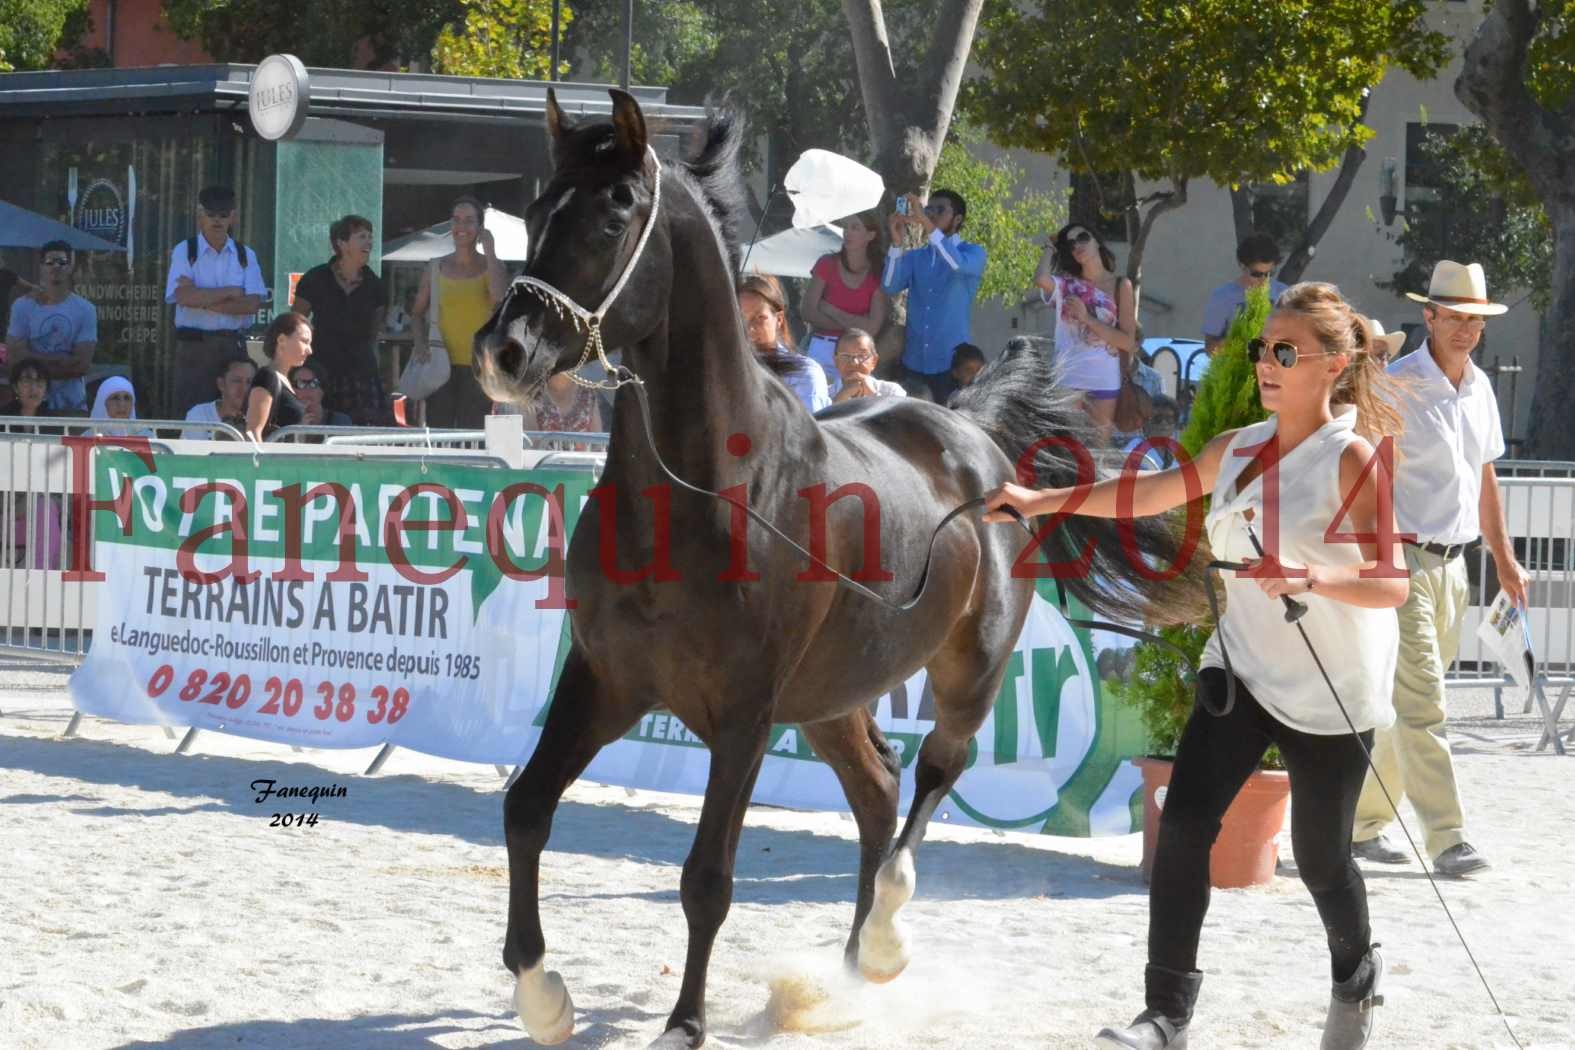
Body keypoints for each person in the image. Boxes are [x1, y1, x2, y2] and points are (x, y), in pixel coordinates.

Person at [984, 282, 1409, 1050]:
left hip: (1332, 692)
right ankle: (1165, 1016)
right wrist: (1040, 499)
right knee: (1181, 826)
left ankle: (1355, 971)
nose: (1265, 364)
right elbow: (1142, 494)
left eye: (1285, 351)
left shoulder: (1351, 461)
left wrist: (1312, 578)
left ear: (1335, 365)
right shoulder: (1234, 448)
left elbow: (1392, 586)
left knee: (1320, 863)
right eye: (1260, 350)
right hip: (1241, 669)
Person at [1350, 260, 1530, 879]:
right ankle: (1448, 837)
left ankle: (1360, 825)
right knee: (1426, 703)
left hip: (1457, 568)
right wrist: (1380, 558)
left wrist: (1505, 561)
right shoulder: (1397, 383)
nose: (1465, 329)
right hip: (1404, 559)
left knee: (1412, 705)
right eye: (1454, 316)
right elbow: (1371, 478)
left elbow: (1485, 478)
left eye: (1474, 319)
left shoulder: (1480, 387)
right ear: (1428, 316)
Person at [165, 185, 268, 416]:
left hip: (233, 346)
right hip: (194, 348)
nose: (217, 221)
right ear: (200, 214)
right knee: (191, 414)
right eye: (211, 215)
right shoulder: (186, 250)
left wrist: (202, 298)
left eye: (223, 215)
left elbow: (251, 305)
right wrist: (231, 291)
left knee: (237, 413)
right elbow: (182, 297)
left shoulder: (245, 255)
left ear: (233, 216)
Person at [410, 195, 507, 428]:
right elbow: (416, 313)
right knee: (439, 431)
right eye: (456, 220)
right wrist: (420, 343)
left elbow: (498, 297)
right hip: (440, 364)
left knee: (473, 434)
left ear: (480, 227)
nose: (461, 227)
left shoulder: (494, 265)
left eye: (469, 221)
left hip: (480, 366)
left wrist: (491, 249)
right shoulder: (435, 266)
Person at [1034, 223, 1137, 442]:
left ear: (1097, 240)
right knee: (1065, 448)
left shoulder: (1121, 285)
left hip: (1104, 379)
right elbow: (1041, 279)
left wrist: (1087, 318)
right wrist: (1049, 247)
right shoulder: (1066, 284)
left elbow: (1128, 341)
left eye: (1083, 237)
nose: (1077, 245)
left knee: (1097, 451)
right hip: (1067, 377)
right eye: (1071, 244)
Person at [882, 190, 986, 404]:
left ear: (958, 219)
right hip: (914, 361)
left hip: (953, 365)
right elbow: (889, 285)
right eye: (930, 208)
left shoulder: (973, 252)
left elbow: (955, 264)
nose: (931, 214)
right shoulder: (916, 256)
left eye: (940, 209)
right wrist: (896, 243)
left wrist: (927, 225)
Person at [291, 214, 390, 426]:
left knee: (360, 431)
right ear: (342, 243)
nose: (369, 242)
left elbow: (374, 333)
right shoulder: (315, 279)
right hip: (321, 368)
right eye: (361, 236)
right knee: (318, 426)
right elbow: (296, 324)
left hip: (361, 374)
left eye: (370, 237)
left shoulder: (376, 286)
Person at [802, 211, 889, 396]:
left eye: (855, 227)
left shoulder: (878, 274)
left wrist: (830, 310)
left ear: (871, 235)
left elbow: (872, 328)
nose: (847, 233)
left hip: (858, 355)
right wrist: (855, 325)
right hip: (821, 346)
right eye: (846, 227)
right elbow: (808, 312)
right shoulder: (826, 263)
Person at [5, 241, 97, 414]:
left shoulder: (86, 310)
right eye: (50, 262)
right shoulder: (22, 306)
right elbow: (15, 359)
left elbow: (81, 365)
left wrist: (32, 366)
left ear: (70, 267)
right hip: (29, 408)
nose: (56, 266)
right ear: (41, 266)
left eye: (62, 262)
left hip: (72, 406)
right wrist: (61, 360)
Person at [2, 360, 67, 567]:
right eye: (27, 381)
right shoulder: (3, 421)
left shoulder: (54, 425)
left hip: (37, 508)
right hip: (5, 508)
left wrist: (31, 499)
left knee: (46, 508)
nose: (34, 388)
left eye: (40, 383)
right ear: (15, 387)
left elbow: (58, 478)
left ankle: (36, 584)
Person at [738, 274, 830, 414]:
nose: (750, 328)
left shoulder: (803, 372)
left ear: (779, 319)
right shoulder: (718, 369)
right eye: (740, 319)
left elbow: (808, 432)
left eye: (760, 318)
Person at [1201, 234, 1288, 354]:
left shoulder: (1285, 294)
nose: (1264, 280)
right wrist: (1244, 342)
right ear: (1242, 266)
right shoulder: (1222, 297)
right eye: (1257, 274)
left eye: (1269, 273)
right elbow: (1210, 348)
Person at [246, 312, 312, 441]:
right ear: (281, 340)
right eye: (304, 341)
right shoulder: (267, 377)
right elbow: (253, 432)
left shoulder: (285, 380)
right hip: (269, 460)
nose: (309, 350)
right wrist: (263, 461)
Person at [184, 355, 254, 439]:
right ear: (221, 384)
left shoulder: (260, 419)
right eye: (237, 381)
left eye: (249, 382)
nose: (244, 388)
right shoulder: (199, 415)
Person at [830, 328, 906, 404]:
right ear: (836, 361)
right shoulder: (825, 393)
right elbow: (821, 415)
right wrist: (842, 396)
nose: (854, 362)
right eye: (846, 356)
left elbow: (896, 415)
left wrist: (872, 394)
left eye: (861, 356)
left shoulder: (892, 391)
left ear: (874, 361)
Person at [289, 361, 352, 430]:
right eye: (300, 384)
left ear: (322, 390)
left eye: (313, 383)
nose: (307, 390)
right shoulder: (284, 422)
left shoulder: (340, 422)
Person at [89, 376, 155, 439]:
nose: (122, 404)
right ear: (103, 403)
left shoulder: (147, 437)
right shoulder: (87, 438)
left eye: (127, 398)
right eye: (115, 398)